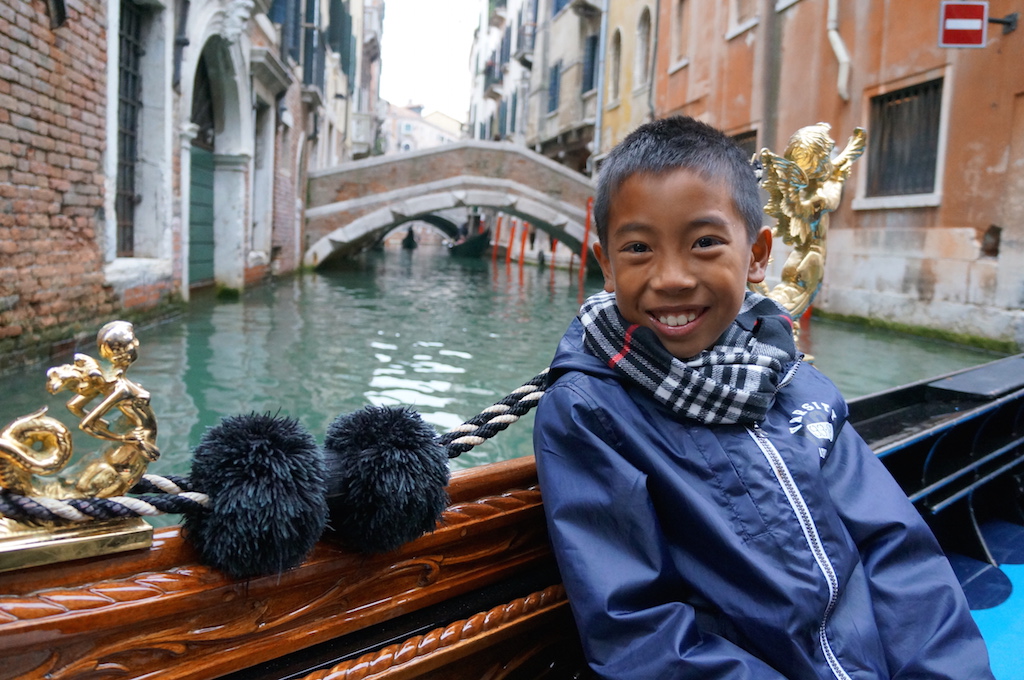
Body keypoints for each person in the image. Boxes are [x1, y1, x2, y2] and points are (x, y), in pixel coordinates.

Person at [532, 116, 994, 680]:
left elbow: (897, 550)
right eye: (638, 249)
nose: (672, 277)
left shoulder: (794, 382)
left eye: (705, 243)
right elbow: (639, 628)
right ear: (607, 266)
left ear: (757, 255)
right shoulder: (590, 411)